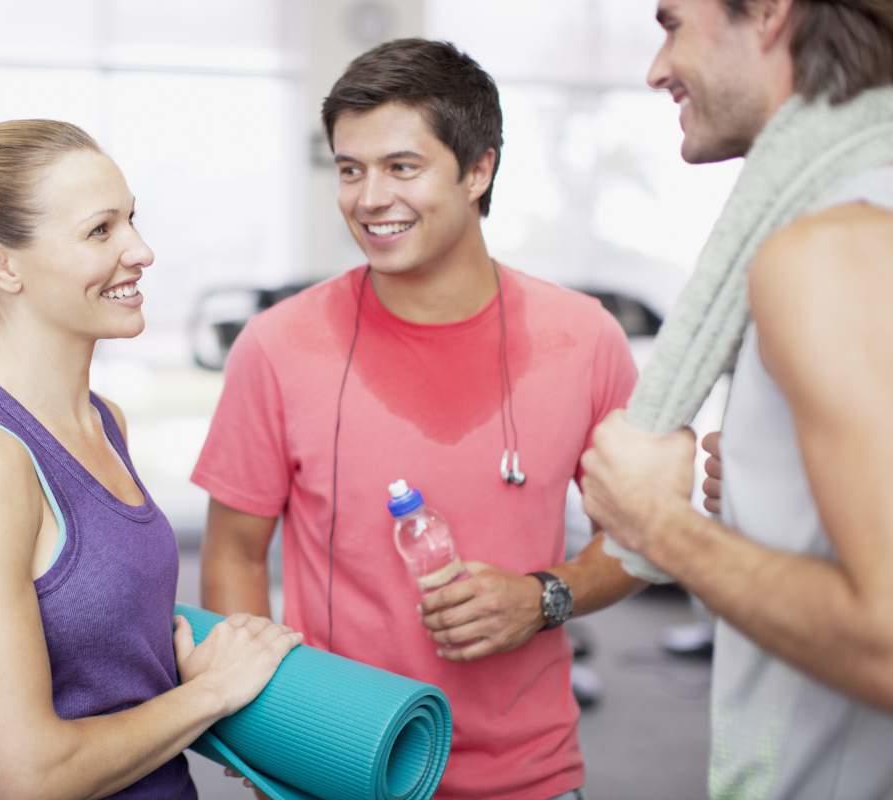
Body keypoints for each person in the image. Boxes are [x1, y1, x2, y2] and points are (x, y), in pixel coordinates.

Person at [193, 39, 646, 800]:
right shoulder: (277, 346)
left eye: (402, 167)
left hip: (527, 777)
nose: (369, 198)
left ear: (478, 171)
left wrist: (543, 597)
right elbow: (234, 554)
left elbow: (640, 541)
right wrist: (264, 738)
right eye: (350, 169)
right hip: (335, 769)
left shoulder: (584, 339)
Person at [0, 119, 301, 800]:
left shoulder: (105, 421)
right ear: (0, 264)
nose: (140, 250)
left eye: (131, 220)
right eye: (100, 231)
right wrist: (209, 695)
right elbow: (29, 776)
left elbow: (110, 676)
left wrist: (195, 685)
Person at [580, 1, 893, 798]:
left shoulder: (833, 248)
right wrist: (775, 507)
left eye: (673, 25)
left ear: (769, 13)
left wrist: (659, 523)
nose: (656, 70)